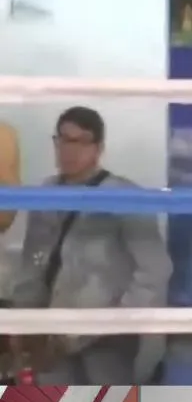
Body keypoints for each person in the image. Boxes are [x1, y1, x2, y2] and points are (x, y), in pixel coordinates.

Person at [10, 107, 171, 384]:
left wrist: (117, 322)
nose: (69, 150)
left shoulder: (124, 197)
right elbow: (33, 262)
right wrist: (23, 321)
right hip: (52, 336)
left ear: (99, 147)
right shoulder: (45, 195)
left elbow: (154, 270)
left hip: (107, 341)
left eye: (81, 141)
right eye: (63, 140)